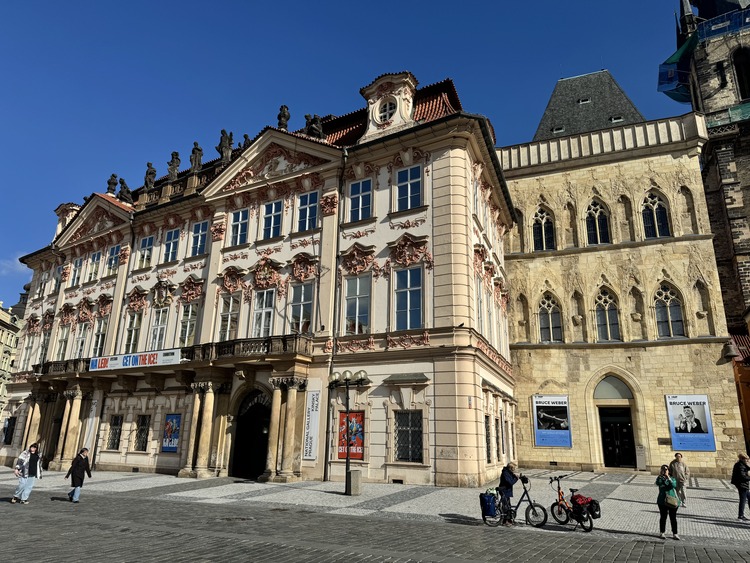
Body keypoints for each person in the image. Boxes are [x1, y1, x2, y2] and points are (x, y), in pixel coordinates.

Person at [656, 464, 680, 540]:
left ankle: (675, 533)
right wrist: (662, 476)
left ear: (669, 471)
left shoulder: (672, 478)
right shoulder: (660, 478)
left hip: (672, 500)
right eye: (663, 469)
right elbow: (658, 483)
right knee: (663, 517)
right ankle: (662, 532)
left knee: (673, 518)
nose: (664, 471)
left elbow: (673, 485)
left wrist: (668, 477)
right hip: (662, 501)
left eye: (666, 469)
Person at [497, 462, 520, 526]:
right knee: (505, 506)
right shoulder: (505, 473)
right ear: (510, 468)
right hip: (504, 491)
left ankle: (509, 519)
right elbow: (510, 482)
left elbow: (512, 477)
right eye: (513, 469)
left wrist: (517, 476)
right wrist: (516, 478)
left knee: (508, 506)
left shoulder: (508, 472)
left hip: (507, 491)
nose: (514, 470)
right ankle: (505, 521)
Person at [731, 452, 750, 521]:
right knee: (743, 500)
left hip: (743, 485)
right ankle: (740, 516)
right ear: (742, 459)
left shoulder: (741, 464)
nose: (748, 460)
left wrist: (748, 464)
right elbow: (743, 477)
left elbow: (747, 468)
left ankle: (740, 515)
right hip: (742, 485)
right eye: (747, 459)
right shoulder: (740, 465)